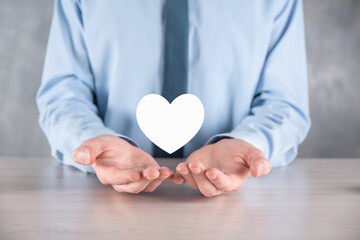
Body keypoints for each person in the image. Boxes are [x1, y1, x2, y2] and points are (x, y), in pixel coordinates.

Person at [37, 0, 310, 197]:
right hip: (102, 197)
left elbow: (284, 101)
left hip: (240, 202)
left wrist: (249, 145)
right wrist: (91, 142)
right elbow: (64, 93)